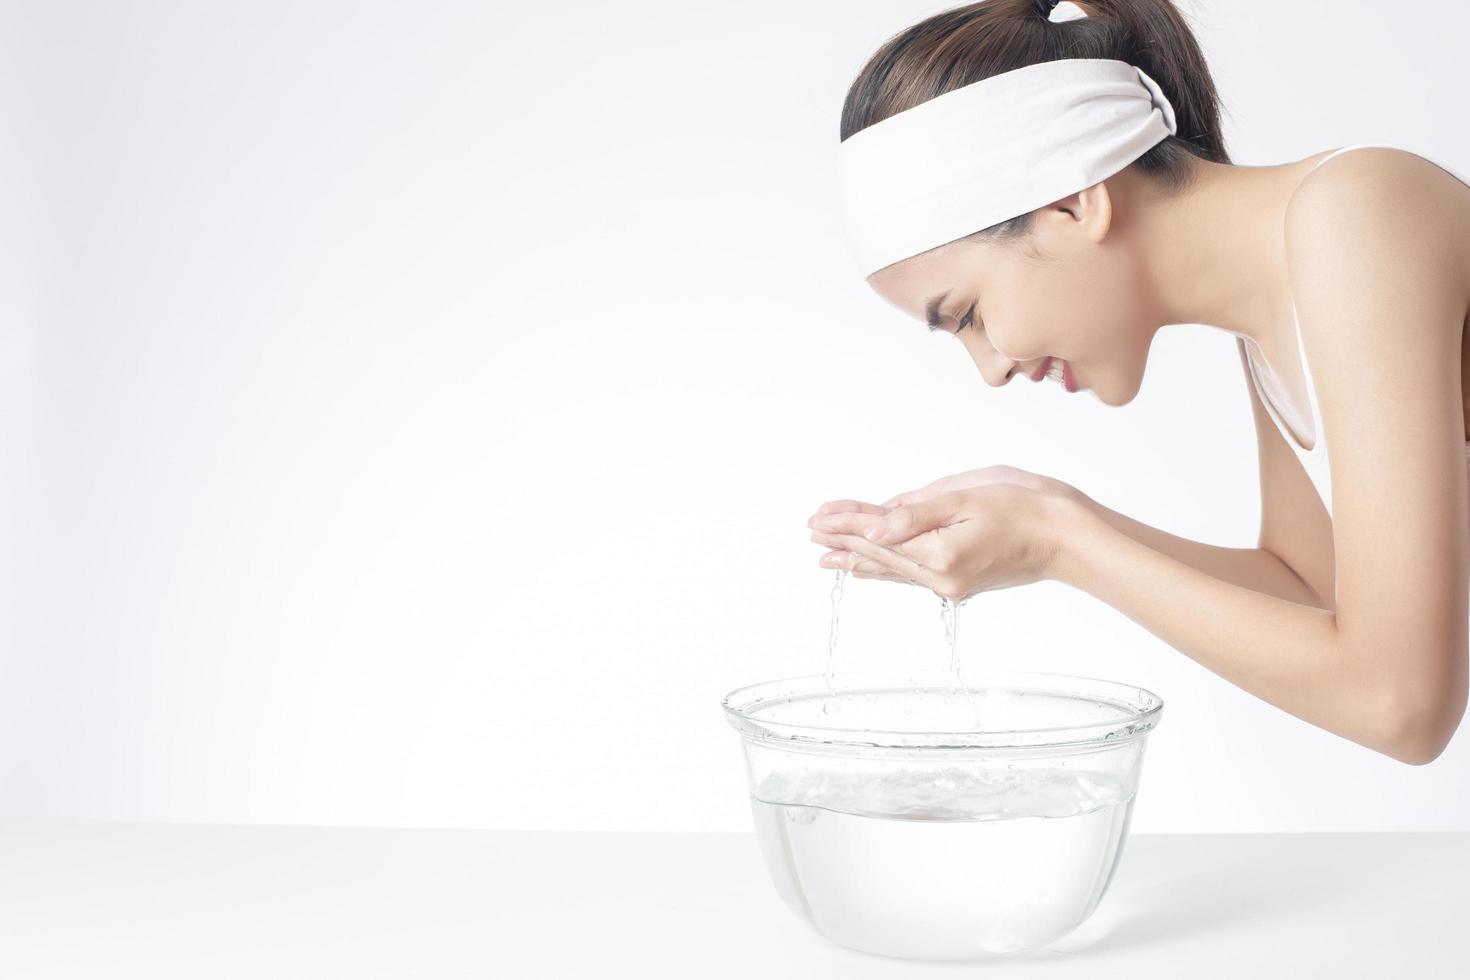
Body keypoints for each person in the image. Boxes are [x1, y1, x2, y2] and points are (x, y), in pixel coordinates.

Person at [804, 0, 1470, 765]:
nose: (991, 369)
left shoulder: (1358, 213)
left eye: (970, 314)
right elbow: (1314, 596)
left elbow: (1402, 704)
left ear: (1070, 202)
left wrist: (1062, 544)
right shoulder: (1273, 310)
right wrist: (1050, 510)